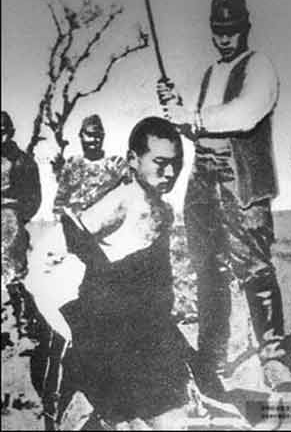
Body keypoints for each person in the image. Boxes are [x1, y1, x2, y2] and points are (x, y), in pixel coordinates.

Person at [157, 0, 291, 395]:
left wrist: (191, 116)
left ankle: (274, 359)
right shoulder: (209, 74)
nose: (224, 38)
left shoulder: (260, 66)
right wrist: (176, 109)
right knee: (208, 272)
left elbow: (245, 111)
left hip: (241, 184)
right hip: (203, 185)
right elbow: (197, 128)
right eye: (218, 31)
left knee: (254, 269)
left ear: (245, 28)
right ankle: (211, 358)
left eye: (232, 30)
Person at [26, 117, 192, 430]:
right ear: (133, 160)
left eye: (177, 164)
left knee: (174, 420)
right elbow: (49, 255)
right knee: (126, 421)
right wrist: (66, 324)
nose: (170, 173)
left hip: (145, 335)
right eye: (160, 163)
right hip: (105, 336)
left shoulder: (162, 209)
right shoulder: (119, 201)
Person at [1, 110, 41, 341]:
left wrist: (17, 218)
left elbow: (34, 198)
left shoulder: (23, 161)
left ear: (12, 132)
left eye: (4, 132)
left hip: (10, 221)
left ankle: (23, 327)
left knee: (14, 275)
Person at [53, 113, 129, 217]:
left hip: (107, 224)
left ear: (103, 136)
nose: (94, 140)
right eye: (89, 135)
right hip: (74, 225)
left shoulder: (116, 164)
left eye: (98, 135)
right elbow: (59, 201)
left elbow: (132, 194)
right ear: (81, 136)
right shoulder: (72, 164)